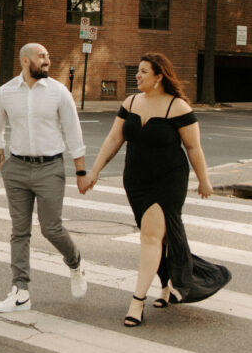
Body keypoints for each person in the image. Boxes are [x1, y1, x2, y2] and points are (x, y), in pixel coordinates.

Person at [79, 52, 231, 327]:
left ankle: (137, 302)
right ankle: (166, 284)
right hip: (136, 180)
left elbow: (193, 147)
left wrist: (204, 180)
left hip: (168, 180)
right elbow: (114, 138)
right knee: (158, 238)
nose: (137, 76)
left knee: (150, 236)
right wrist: (95, 171)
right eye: (137, 71)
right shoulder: (131, 102)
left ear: (159, 76)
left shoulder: (178, 107)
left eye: (143, 72)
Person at [0, 42, 88, 313]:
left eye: (47, 56)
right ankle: (20, 291)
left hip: (50, 168)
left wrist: (81, 172)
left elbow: (73, 133)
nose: (47, 61)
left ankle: (75, 261)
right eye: (41, 56)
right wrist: (5, 169)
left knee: (51, 228)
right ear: (24, 61)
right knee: (19, 231)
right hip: (17, 169)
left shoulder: (59, 92)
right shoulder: (5, 93)